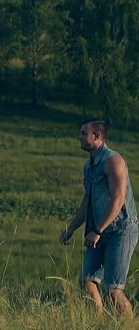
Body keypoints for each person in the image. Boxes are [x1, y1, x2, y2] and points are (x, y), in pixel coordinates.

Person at [60, 119, 139, 317]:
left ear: (97, 136)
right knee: (87, 281)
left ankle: (129, 325)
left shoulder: (114, 161)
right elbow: (87, 201)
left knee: (114, 288)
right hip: (99, 232)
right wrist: (71, 229)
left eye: (83, 133)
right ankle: (97, 323)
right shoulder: (89, 166)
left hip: (120, 231)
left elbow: (119, 199)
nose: (79, 136)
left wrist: (97, 230)